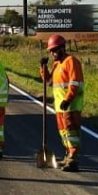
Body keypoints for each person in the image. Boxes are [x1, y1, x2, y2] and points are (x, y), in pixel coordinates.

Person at [40, 34, 85, 172]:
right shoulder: (56, 64)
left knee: (71, 132)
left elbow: (75, 83)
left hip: (70, 105)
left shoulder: (71, 61)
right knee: (64, 132)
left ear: (62, 48)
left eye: (54, 50)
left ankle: (73, 159)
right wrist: (43, 68)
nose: (52, 53)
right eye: (50, 51)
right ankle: (68, 155)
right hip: (60, 106)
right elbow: (48, 82)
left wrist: (68, 99)